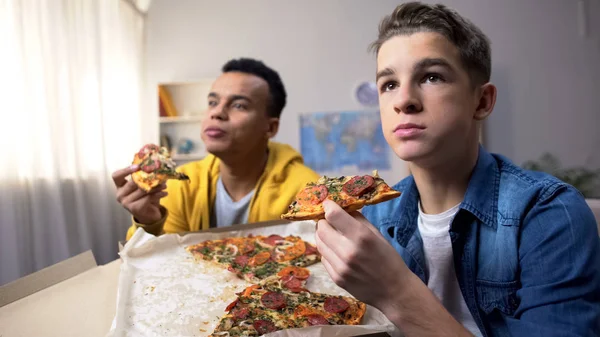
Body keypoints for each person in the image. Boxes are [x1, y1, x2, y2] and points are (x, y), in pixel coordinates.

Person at [315, 2, 600, 337]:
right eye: (389, 83)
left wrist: (395, 290)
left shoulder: (549, 214)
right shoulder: (375, 218)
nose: (403, 100)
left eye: (432, 77)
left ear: (482, 102)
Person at [112, 58, 319, 240]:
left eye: (239, 105)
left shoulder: (305, 192)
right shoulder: (181, 186)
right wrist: (148, 223)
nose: (217, 113)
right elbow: (156, 272)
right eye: (212, 102)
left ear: (270, 127)